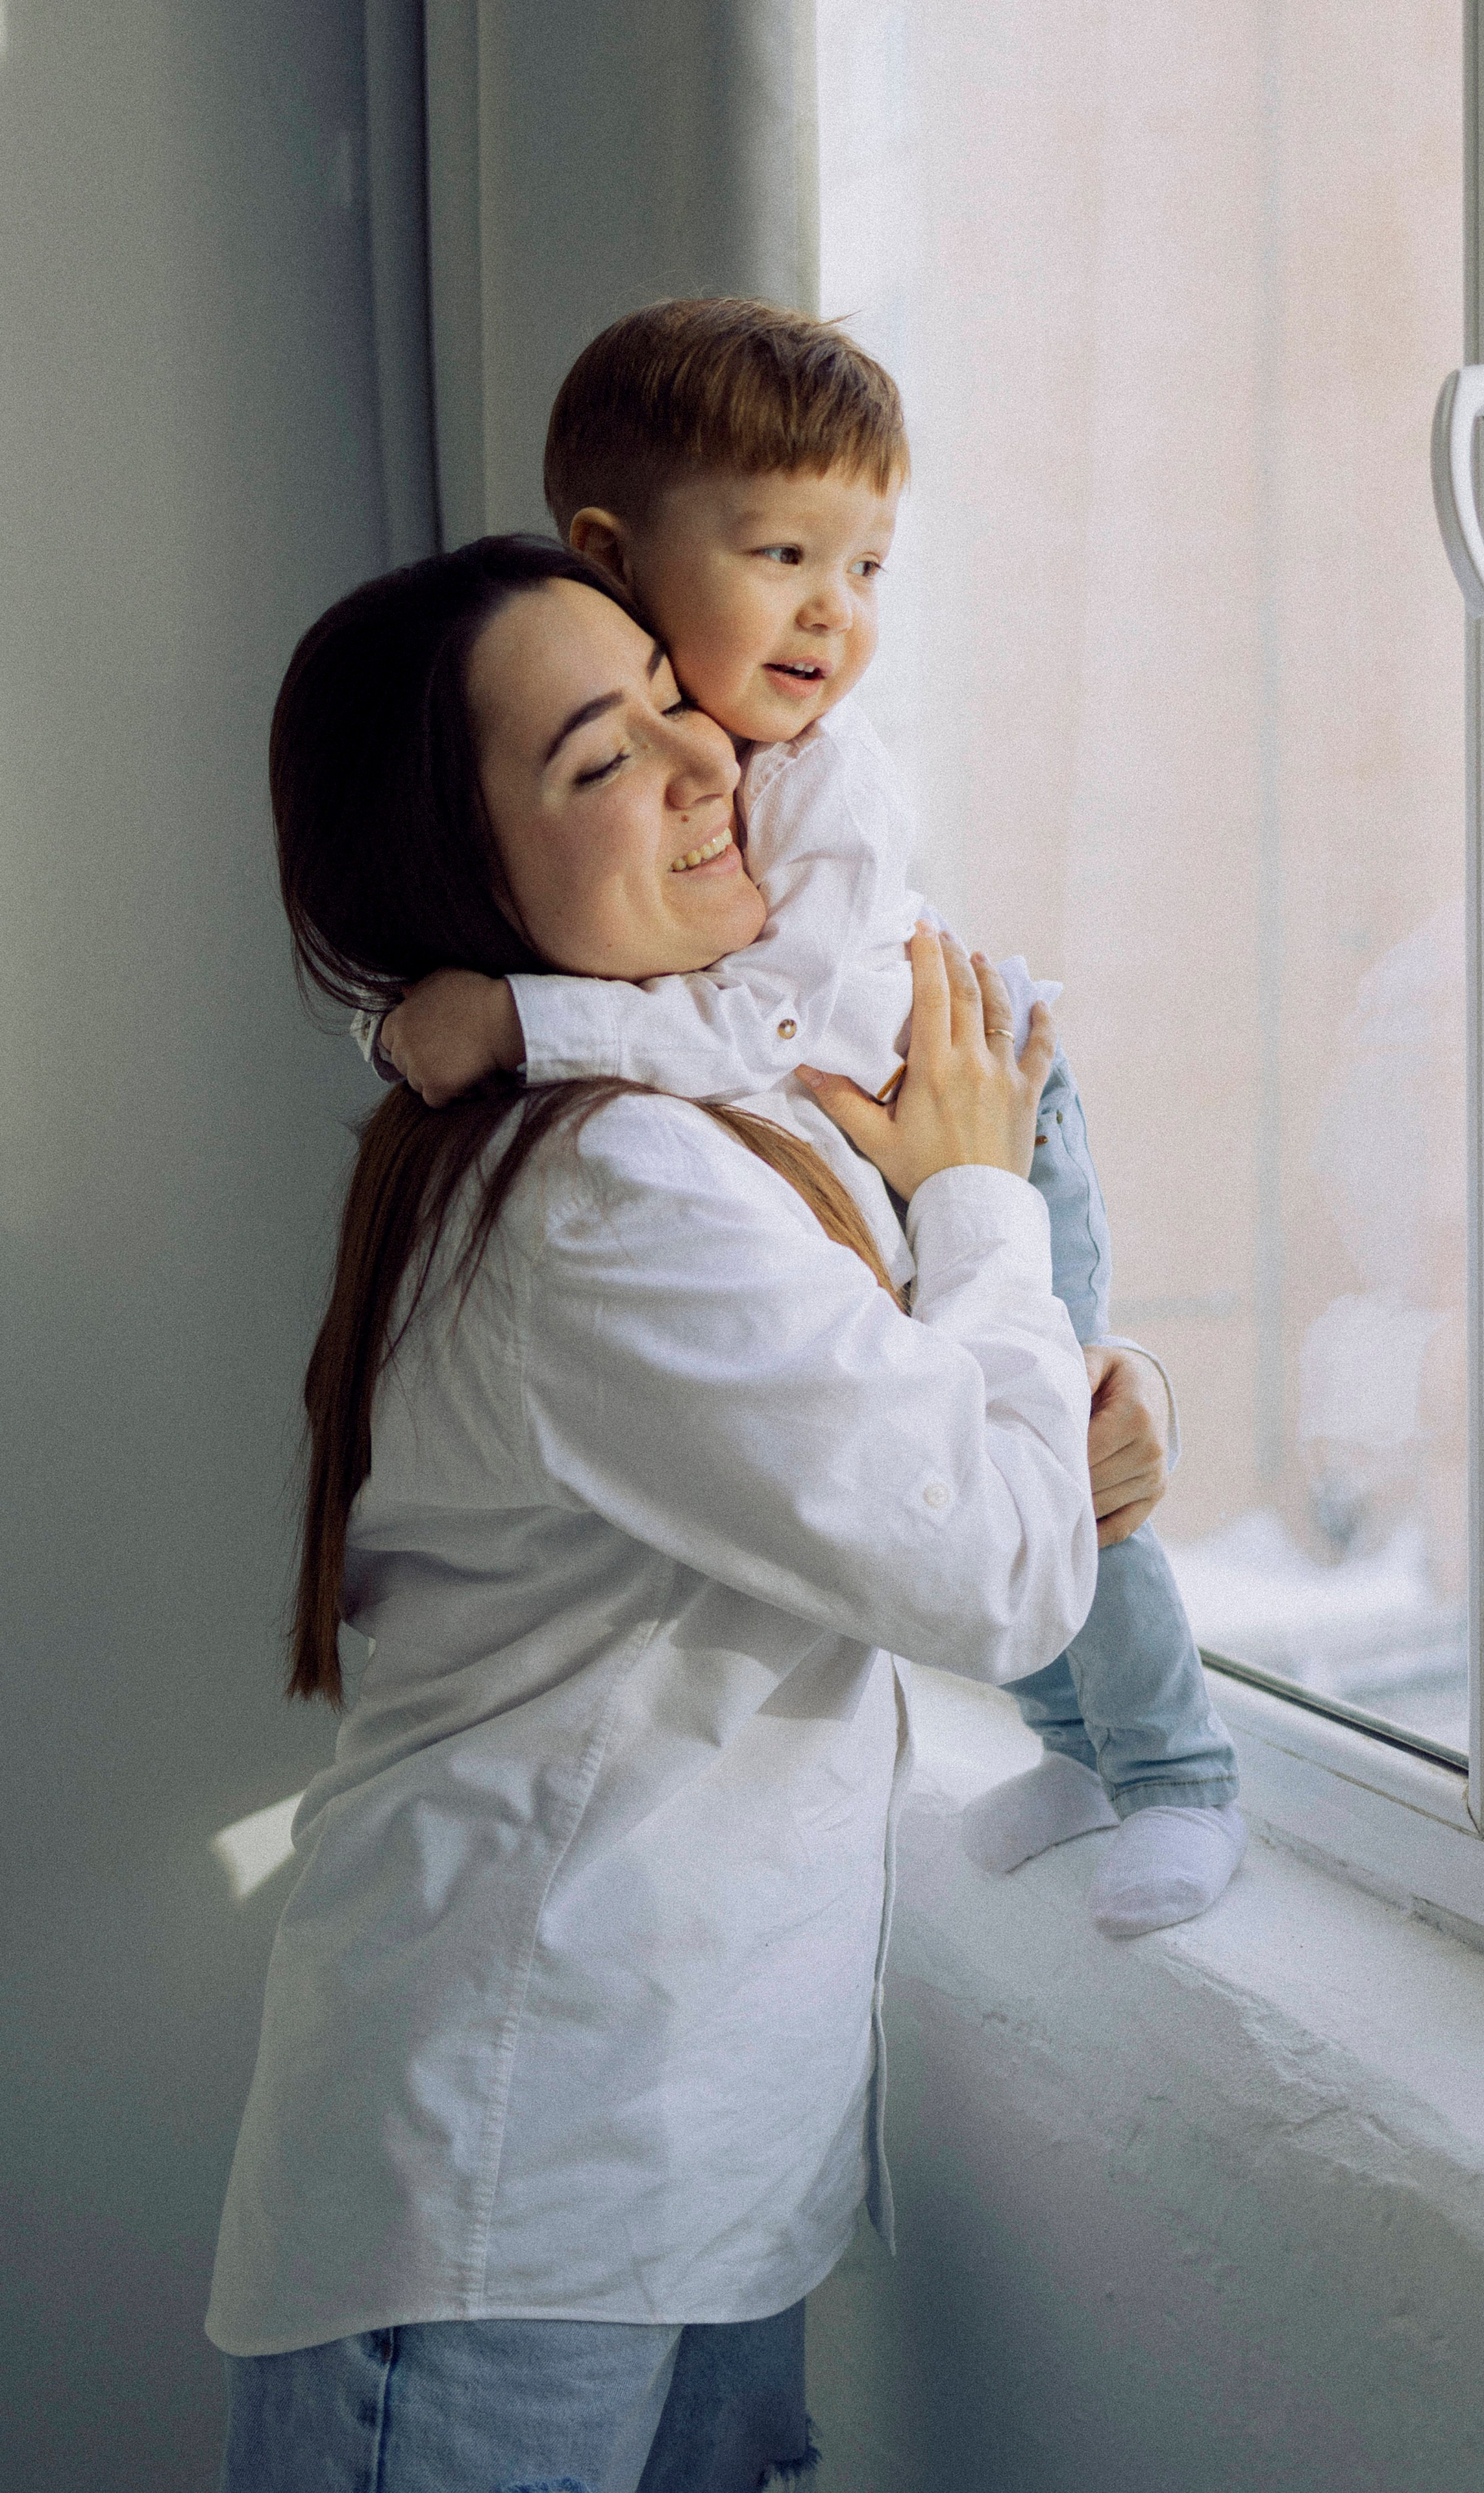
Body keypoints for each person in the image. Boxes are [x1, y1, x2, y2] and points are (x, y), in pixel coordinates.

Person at [208, 535, 1098, 2492]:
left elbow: (984, 1461)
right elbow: (1015, 1564)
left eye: (673, 701)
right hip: (517, 2190)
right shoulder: (609, 1186)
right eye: (596, 762)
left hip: (661, 2167)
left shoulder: (668, 1112)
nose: (705, 764)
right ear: (468, 876)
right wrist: (978, 1196)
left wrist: (1041, 1385)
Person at [374, 299, 1245, 1938]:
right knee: (1046, 1465)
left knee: (1076, 1469)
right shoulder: (594, 1182)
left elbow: (753, 1027)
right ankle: (1091, 1750)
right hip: (921, 1151)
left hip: (983, 1123)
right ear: (616, 557)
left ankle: (1175, 1771)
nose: (834, 617)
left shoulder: (824, 784)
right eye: (784, 556)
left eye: (866, 571)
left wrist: (511, 1016)